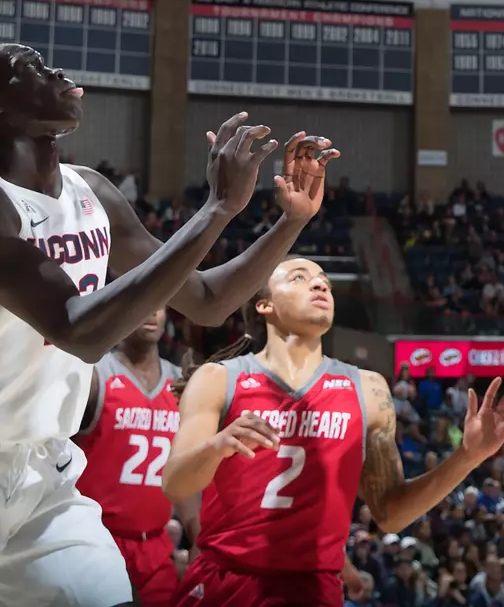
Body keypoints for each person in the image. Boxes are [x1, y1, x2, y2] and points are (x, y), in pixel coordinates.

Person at [0, 41, 338, 607]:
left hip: (45, 473)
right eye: (28, 68)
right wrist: (214, 210)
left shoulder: (93, 193)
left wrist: (288, 222)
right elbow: (80, 331)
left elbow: (205, 301)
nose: (56, 69)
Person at [162, 258, 504, 606]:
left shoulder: (367, 389)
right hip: (225, 580)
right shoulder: (219, 379)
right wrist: (216, 446)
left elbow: (390, 514)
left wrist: (468, 457)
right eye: (299, 278)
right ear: (264, 305)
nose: (320, 283)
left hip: (313, 586)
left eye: (323, 279)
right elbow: (175, 485)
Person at [73, 308, 193, 607]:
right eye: (145, 300)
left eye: (161, 302)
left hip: (155, 545)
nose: (152, 310)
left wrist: (198, 538)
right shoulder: (96, 374)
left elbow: (187, 476)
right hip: (94, 542)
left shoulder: (180, 384)